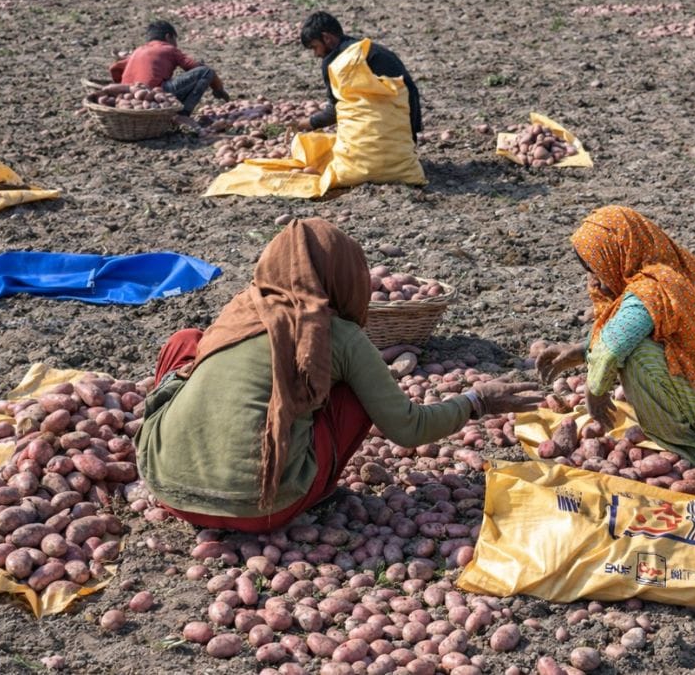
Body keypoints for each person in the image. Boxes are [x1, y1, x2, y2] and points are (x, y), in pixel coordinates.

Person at [136, 218, 540, 531]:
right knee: (354, 392)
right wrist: (478, 401)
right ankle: (316, 489)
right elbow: (408, 429)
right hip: (265, 509)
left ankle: (182, 455)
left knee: (188, 341)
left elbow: (282, 356)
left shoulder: (240, 310)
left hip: (167, 490)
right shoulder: (338, 334)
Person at [534, 206, 695, 466]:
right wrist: (582, 350)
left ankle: (680, 449)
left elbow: (612, 349)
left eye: (597, 268)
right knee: (633, 343)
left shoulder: (651, 289)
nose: (595, 281)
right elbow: (627, 333)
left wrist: (596, 392)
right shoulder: (671, 270)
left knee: (635, 355)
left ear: (618, 254)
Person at [296, 11, 422, 142]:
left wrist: (307, 123)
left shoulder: (337, 61)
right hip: (407, 120)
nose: (315, 54)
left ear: (326, 38)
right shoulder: (367, 47)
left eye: (314, 47)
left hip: (385, 126)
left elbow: (335, 111)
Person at [109, 20, 230, 130]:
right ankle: (182, 115)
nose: (176, 44)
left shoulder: (138, 51)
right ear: (168, 37)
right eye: (175, 40)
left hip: (131, 97)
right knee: (206, 72)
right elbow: (198, 68)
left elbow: (114, 68)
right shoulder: (168, 48)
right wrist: (218, 88)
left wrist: (123, 88)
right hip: (155, 95)